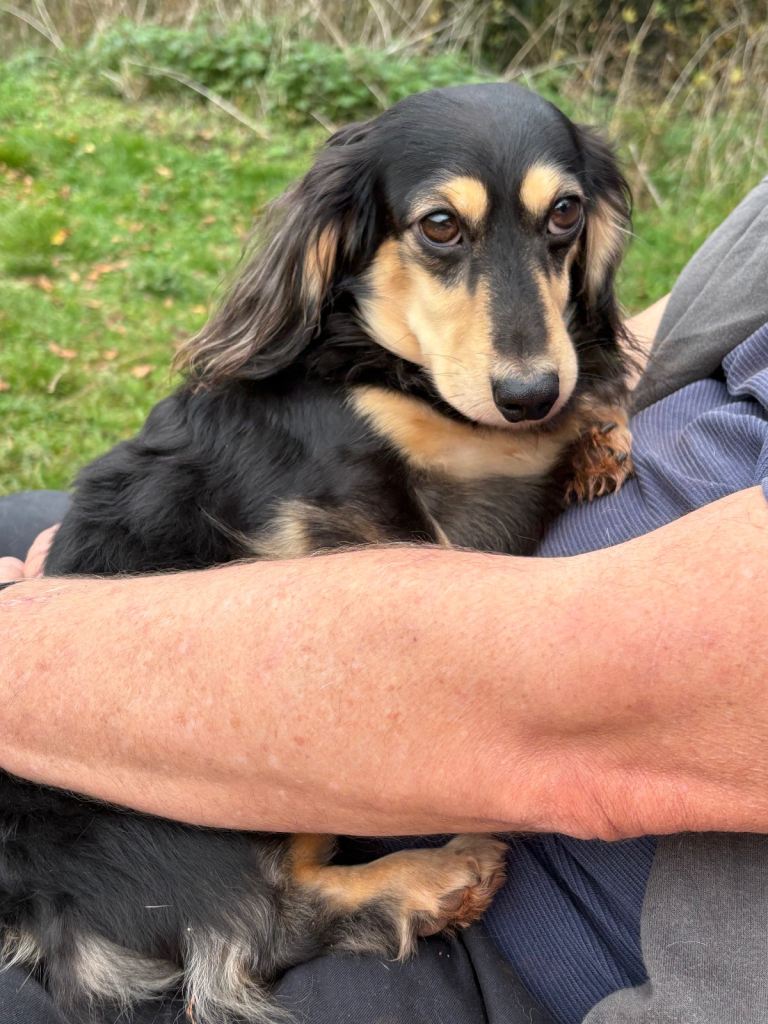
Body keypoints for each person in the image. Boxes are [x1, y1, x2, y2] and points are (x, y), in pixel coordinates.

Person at [1, 177, 768, 1024]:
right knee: (33, 526)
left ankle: (281, 906)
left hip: (537, 916)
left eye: (561, 219)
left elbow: (569, 705)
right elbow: (659, 336)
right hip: (444, 648)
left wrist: (34, 642)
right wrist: (589, 405)